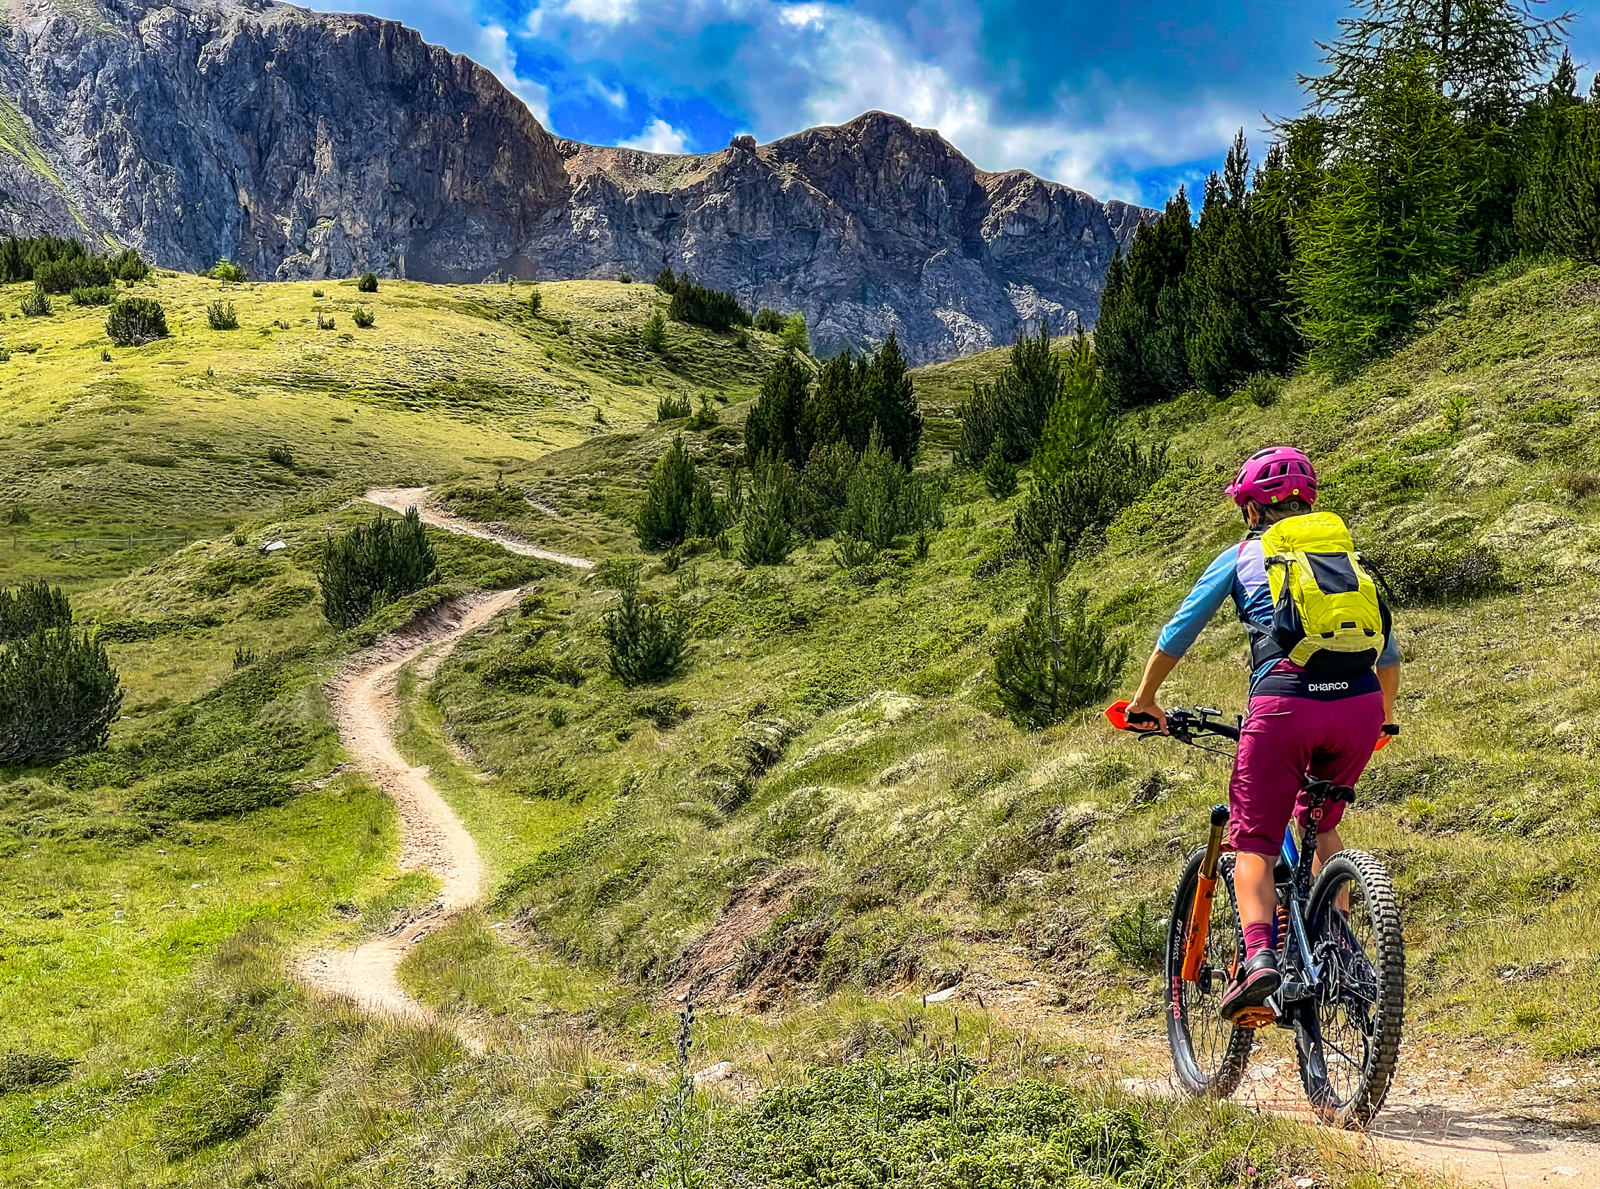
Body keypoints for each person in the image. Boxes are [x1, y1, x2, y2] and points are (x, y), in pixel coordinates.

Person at [1124, 446, 1400, 1021]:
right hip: (1359, 707)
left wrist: (1145, 700)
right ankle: (1341, 948)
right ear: (1309, 503)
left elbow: (1178, 632)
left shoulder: (1242, 557)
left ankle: (1259, 961)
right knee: (1323, 823)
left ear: (1252, 509)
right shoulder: (1345, 562)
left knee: (1253, 842)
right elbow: (1388, 655)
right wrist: (1384, 720)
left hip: (1284, 706)